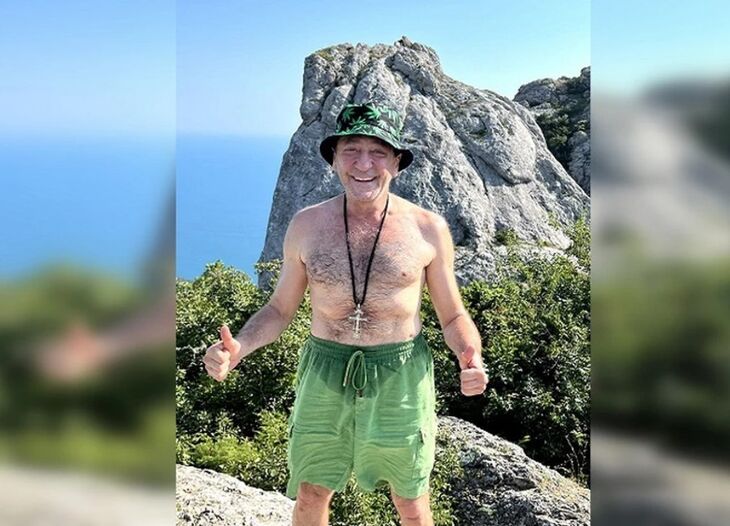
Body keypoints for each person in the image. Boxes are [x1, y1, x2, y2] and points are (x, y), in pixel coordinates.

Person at [203, 102, 488, 526]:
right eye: (351, 150)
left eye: (378, 152)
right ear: (334, 159)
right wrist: (238, 348)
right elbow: (279, 309)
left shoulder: (427, 229)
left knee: (411, 501)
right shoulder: (306, 226)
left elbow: (453, 317)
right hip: (324, 369)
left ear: (396, 162)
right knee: (311, 492)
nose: (363, 164)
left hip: (400, 373)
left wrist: (470, 356)